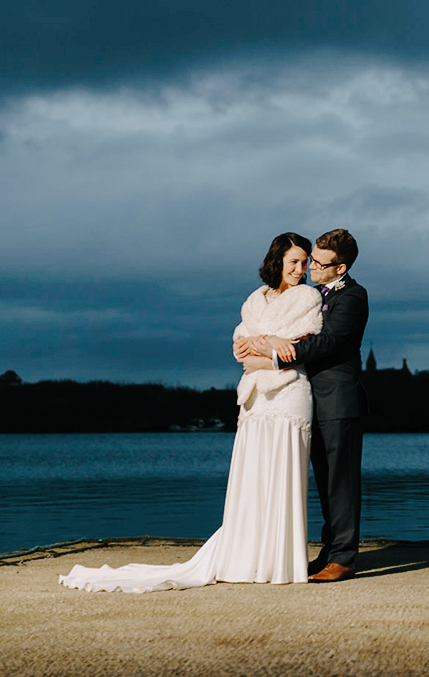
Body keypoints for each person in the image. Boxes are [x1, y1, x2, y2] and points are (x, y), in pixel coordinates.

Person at [59, 233, 322, 592]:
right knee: (254, 473)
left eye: (305, 261)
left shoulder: (308, 296)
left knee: (283, 473)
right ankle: (248, 558)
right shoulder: (254, 300)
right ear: (277, 260)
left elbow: (295, 345)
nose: (301, 268)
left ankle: (279, 563)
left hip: (289, 394)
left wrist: (264, 343)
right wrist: (267, 342)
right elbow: (240, 346)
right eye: (294, 261)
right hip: (255, 398)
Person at [239, 228, 367, 582]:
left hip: (339, 400)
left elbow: (329, 343)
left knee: (342, 482)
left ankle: (343, 558)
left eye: (319, 263)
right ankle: (330, 551)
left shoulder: (353, 296)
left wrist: (272, 355)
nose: (311, 266)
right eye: (310, 259)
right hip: (311, 400)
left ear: (339, 268)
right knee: (326, 482)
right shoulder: (312, 294)